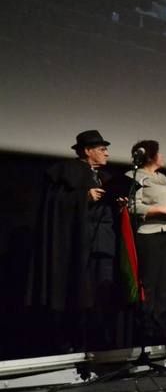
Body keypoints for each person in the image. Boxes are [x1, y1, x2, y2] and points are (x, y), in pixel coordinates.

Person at [28, 130, 119, 351]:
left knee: (103, 294)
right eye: (102, 149)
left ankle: (99, 341)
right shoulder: (66, 171)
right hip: (79, 245)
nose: (107, 154)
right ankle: (73, 341)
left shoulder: (105, 177)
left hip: (104, 243)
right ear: (88, 151)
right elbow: (55, 204)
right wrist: (84, 197)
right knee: (80, 293)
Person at [125, 140, 166, 344]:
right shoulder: (135, 177)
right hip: (149, 234)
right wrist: (160, 209)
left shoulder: (164, 178)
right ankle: (146, 330)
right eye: (159, 153)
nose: (163, 156)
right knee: (149, 284)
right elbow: (132, 206)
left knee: (164, 285)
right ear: (150, 156)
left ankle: (161, 329)